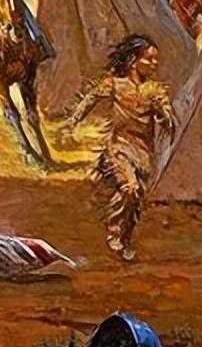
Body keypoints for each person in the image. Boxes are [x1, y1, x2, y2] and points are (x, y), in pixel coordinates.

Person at [65, 35, 175, 262]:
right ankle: (114, 230)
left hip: (143, 154)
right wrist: (73, 121)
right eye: (149, 59)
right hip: (119, 149)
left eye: (156, 60)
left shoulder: (154, 91)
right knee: (129, 188)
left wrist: (163, 114)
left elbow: (170, 123)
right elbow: (91, 99)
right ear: (134, 61)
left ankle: (125, 238)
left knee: (135, 202)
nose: (154, 64)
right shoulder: (115, 84)